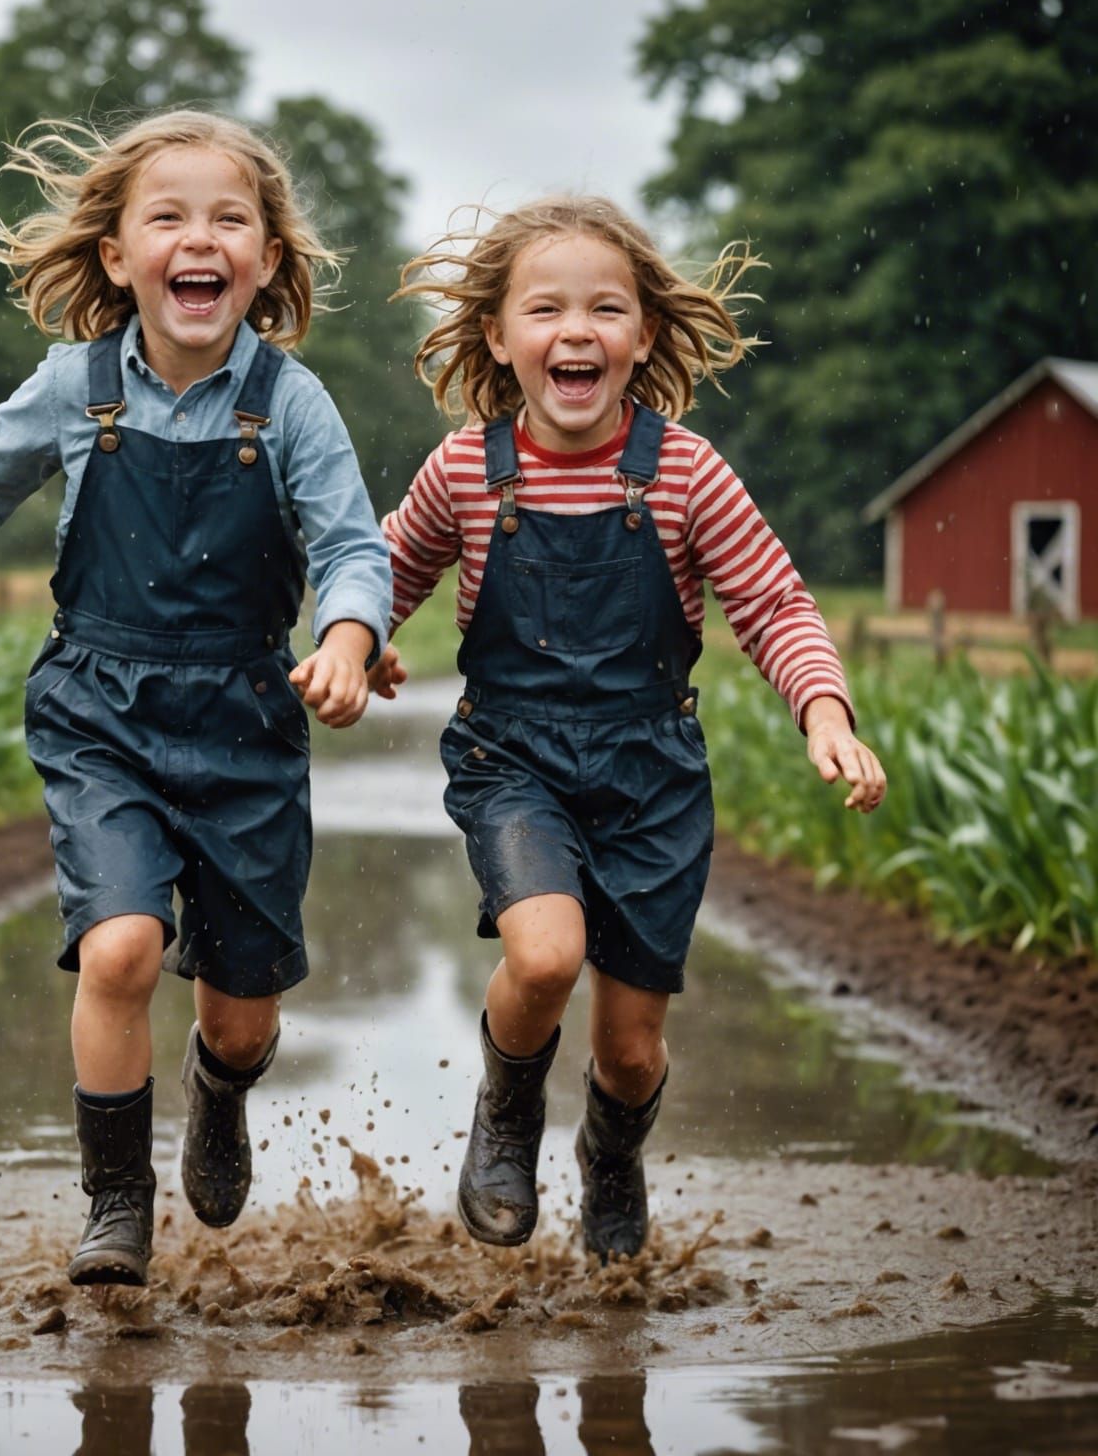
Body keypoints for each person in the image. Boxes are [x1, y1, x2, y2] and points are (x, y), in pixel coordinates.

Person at [0, 110, 392, 1287]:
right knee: (120, 948)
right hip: (101, 710)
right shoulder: (74, 387)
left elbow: (355, 544)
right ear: (116, 256)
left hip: (248, 721)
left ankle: (218, 1090)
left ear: (264, 259)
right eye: (168, 218)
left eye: (228, 221)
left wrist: (349, 639)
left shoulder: (291, 404)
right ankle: (114, 1201)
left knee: (241, 1013)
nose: (198, 240)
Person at [377, 196, 885, 1260]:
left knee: (634, 1051)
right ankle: (508, 1111)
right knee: (547, 954)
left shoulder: (686, 474)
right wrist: (357, 635)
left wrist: (825, 711)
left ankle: (610, 1155)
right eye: (546, 309)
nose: (577, 330)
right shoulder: (471, 469)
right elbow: (384, 568)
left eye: (607, 308)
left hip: (652, 775)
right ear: (500, 337)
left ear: (644, 334)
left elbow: (776, 604)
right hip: (512, 756)